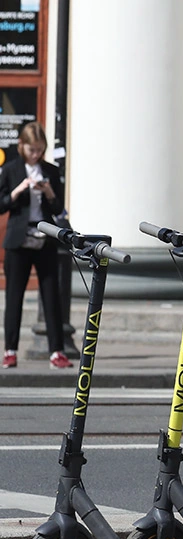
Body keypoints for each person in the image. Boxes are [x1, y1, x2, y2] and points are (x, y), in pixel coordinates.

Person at [0, 122, 72, 370]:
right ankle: (10, 350)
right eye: (32, 149)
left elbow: (58, 209)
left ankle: (57, 351)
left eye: (40, 150)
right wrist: (18, 190)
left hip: (45, 238)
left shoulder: (50, 171)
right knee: (14, 296)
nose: (36, 155)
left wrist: (49, 192)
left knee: (51, 296)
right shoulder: (10, 170)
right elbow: (1, 205)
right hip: (18, 241)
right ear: (21, 146)